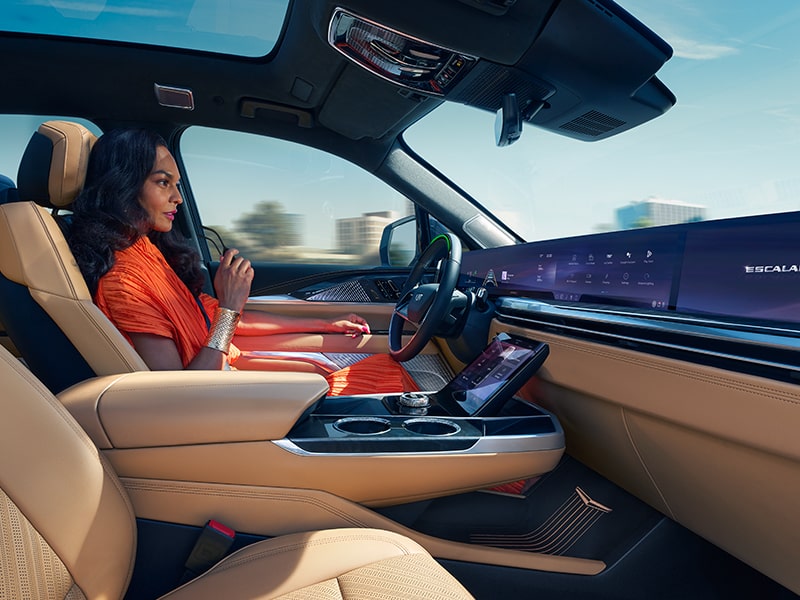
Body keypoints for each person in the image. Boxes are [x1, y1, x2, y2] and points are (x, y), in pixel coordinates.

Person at [67, 129, 419, 397]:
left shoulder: (145, 252)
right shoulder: (124, 281)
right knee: (384, 385)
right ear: (124, 185)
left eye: (176, 184)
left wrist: (326, 321)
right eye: (163, 183)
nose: (177, 197)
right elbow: (178, 393)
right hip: (213, 398)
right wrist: (229, 307)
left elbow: (230, 322)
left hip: (225, 376)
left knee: (371, 374)